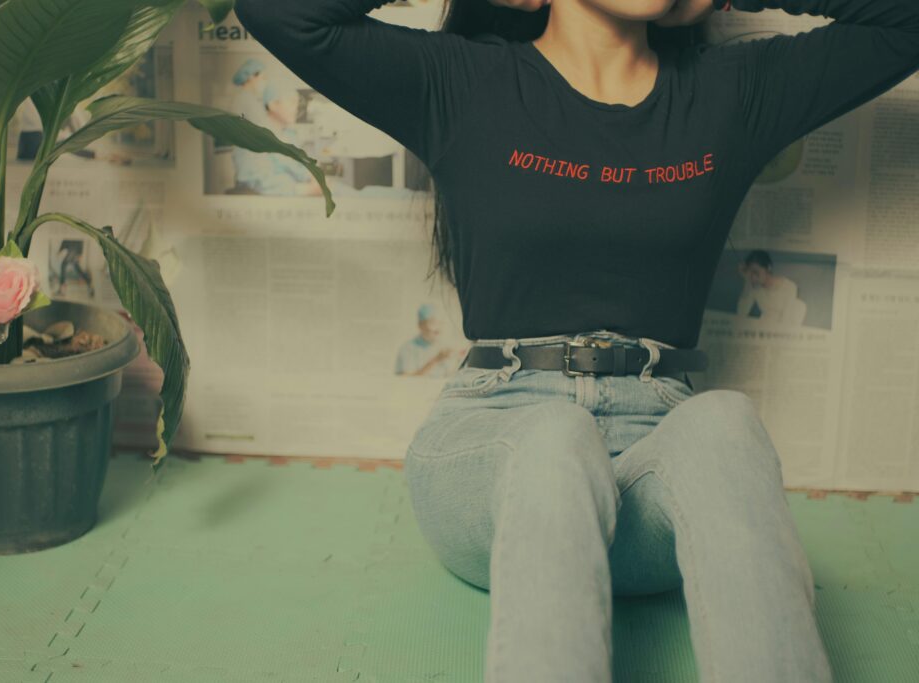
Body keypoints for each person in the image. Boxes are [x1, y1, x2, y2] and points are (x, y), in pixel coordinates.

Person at [234, 0, 919, 681]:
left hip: (652, 480)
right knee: (558, 434)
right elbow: (278, 12)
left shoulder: (731, 94)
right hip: (494, 452)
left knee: (726, 422)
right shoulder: (462, 82)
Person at [736, 249, 805, 325]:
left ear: (768, 267)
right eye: (751, 273)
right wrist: (747, 280)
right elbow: (741, 313)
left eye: (756, 272)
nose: (754, 278)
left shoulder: (790, 287)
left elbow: (786, 320)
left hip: (780, 329)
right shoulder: (755, 289)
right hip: (762, 327)